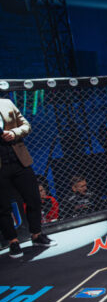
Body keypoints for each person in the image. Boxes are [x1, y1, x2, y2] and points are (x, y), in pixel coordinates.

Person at [1, 98, 56, 259]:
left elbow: (26, 126)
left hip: (20, 161)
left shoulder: (6, 103)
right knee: (2, 207)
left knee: (34, 198)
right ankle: (13, 242)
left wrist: (14, 133)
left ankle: (36, 235)